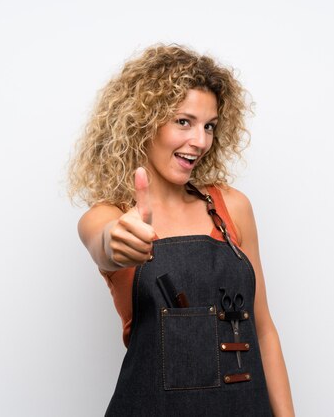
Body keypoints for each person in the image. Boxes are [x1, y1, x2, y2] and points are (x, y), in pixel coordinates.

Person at [68, 44, 295, 416]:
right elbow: (102, 241)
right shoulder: (109, 216)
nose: (201, 141)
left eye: (209, 126)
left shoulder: (232, 207)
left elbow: (264, 329)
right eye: (183, 121)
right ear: (143, 121)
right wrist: (116, 241)